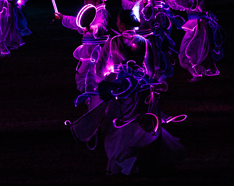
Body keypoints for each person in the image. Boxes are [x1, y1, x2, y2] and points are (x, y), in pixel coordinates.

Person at [66, 10, 187, 175]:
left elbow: (100, 68)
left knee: (114, 126)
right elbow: (151, 69)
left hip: (119, 86)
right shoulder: (144, 42)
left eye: (117, 20)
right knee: (141, 124)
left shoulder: (113, 41)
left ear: (122, 24)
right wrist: (144, 80)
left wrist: (105, 83)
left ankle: (120, 162)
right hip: (139, 87)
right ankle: (136, 161)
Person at [164, 0, 225, 81]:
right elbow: (180, 7)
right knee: (189, 51)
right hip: (193, 25)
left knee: (190, 51)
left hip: (199, 25)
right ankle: (197, 73)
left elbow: (190, 4)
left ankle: (197, 74)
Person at [55, 0, 111, 94]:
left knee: (95, 73)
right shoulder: (88, 12)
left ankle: (95, 96)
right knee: (82, 74)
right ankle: (89, 94)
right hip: (87, 49)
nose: (85, 1)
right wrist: (63, 18)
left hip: (98, 49)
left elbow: (101, 26)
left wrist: (92, 28)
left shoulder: (102, 12)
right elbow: (77, 22)